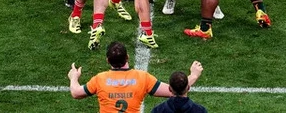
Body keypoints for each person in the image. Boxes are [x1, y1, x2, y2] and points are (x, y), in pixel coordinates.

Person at [68, 41, 203, 113]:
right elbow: (173, 91)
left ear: (108, 61)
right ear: (127, 57)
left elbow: (76, 93)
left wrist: (74, 77)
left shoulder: (100, 79)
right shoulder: (142, 78)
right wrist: (193, 75)